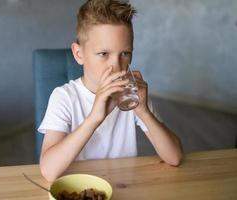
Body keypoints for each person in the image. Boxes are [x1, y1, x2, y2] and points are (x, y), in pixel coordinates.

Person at [38, 0, 183, 182]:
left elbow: (174, 157)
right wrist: (94, 119)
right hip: (80, 186)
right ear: (79, 54)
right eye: (103, 54)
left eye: (125, 53)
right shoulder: (64, 97)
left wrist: (144, 112)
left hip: (122, 183)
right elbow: (49, 171)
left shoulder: (132, 94)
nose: (117, 67)